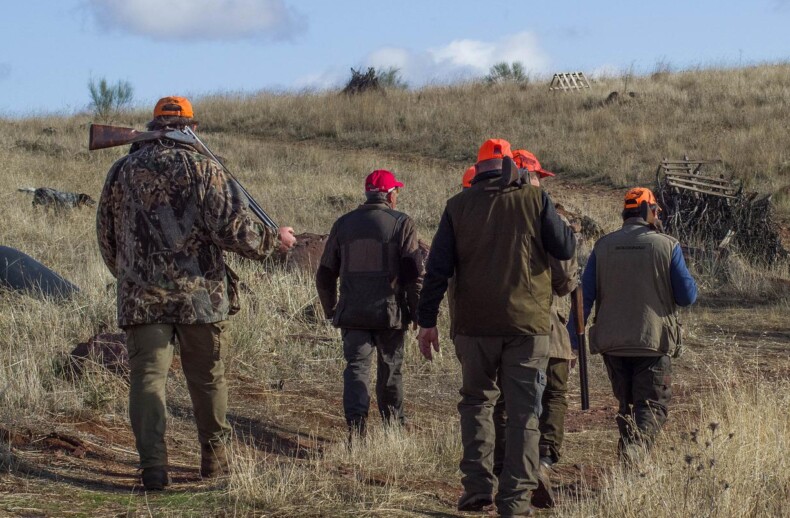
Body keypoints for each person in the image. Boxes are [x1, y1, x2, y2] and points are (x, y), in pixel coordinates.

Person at [96, 96, 296, 491]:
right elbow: (232, 229)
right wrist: (276, 241)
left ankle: (153, 467)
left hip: (143, 298)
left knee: (148, 380)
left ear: (153, 124)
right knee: (206, 379)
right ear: (191, 127)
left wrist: (130, 276)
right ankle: (215, 461)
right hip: (201, 298)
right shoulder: (205, 168)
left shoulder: (121, 171)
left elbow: (106, 234)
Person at [417, 139, 575, 517]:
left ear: (478, 169)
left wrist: (427, 322)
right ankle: (516, 502)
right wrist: (537, 195)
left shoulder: (457, 207)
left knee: (476, 404)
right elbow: (565, 247)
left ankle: (476, 487)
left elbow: (437, 270)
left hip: (474, 327)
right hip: (527, 327)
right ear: (510, 167)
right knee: (524, 414)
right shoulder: (534, 201)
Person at [570, 187, 697, 462]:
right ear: (647, 211)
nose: (657, 215)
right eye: (656, 210)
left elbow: (585, 296)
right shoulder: (668, 245)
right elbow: (688, 296)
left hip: (613, 345)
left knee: (627, 405)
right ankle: (636, 451)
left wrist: (572, 342)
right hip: (652, 341)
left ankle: (630, 468)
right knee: (652, 407)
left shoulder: (602, 246)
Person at [316, 170, 424, 441]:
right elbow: (413, 273)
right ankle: (393, 430)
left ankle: (357, 431)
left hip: (352, 313)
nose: (397, 195)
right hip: (389, 314)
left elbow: (325, 273)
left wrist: (331, 309)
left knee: (356, 369)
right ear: (389, 195)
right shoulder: (402, 223)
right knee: (390, 369)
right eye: (396, 191)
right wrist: (418, 313)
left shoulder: (343, 223)